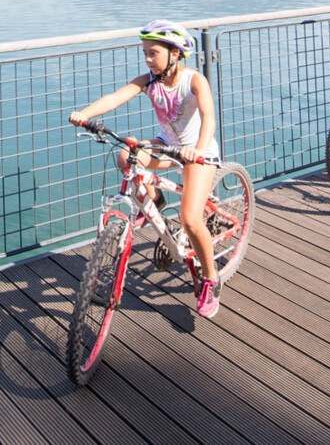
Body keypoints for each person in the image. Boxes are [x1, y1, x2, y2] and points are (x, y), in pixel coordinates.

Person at [68, 19, 225, 318]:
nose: (148, 59)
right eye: (145, 53)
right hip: (167, 145)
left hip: (198, 152)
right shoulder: (148, 81)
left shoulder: (193, 81)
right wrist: (85, 114)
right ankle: (154, 200)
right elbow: (115, 97)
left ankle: (210, 278)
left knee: (190, 220)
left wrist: (199, 150)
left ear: (175, 53)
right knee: (127, 155)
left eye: (153, 53)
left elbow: (208, 118)